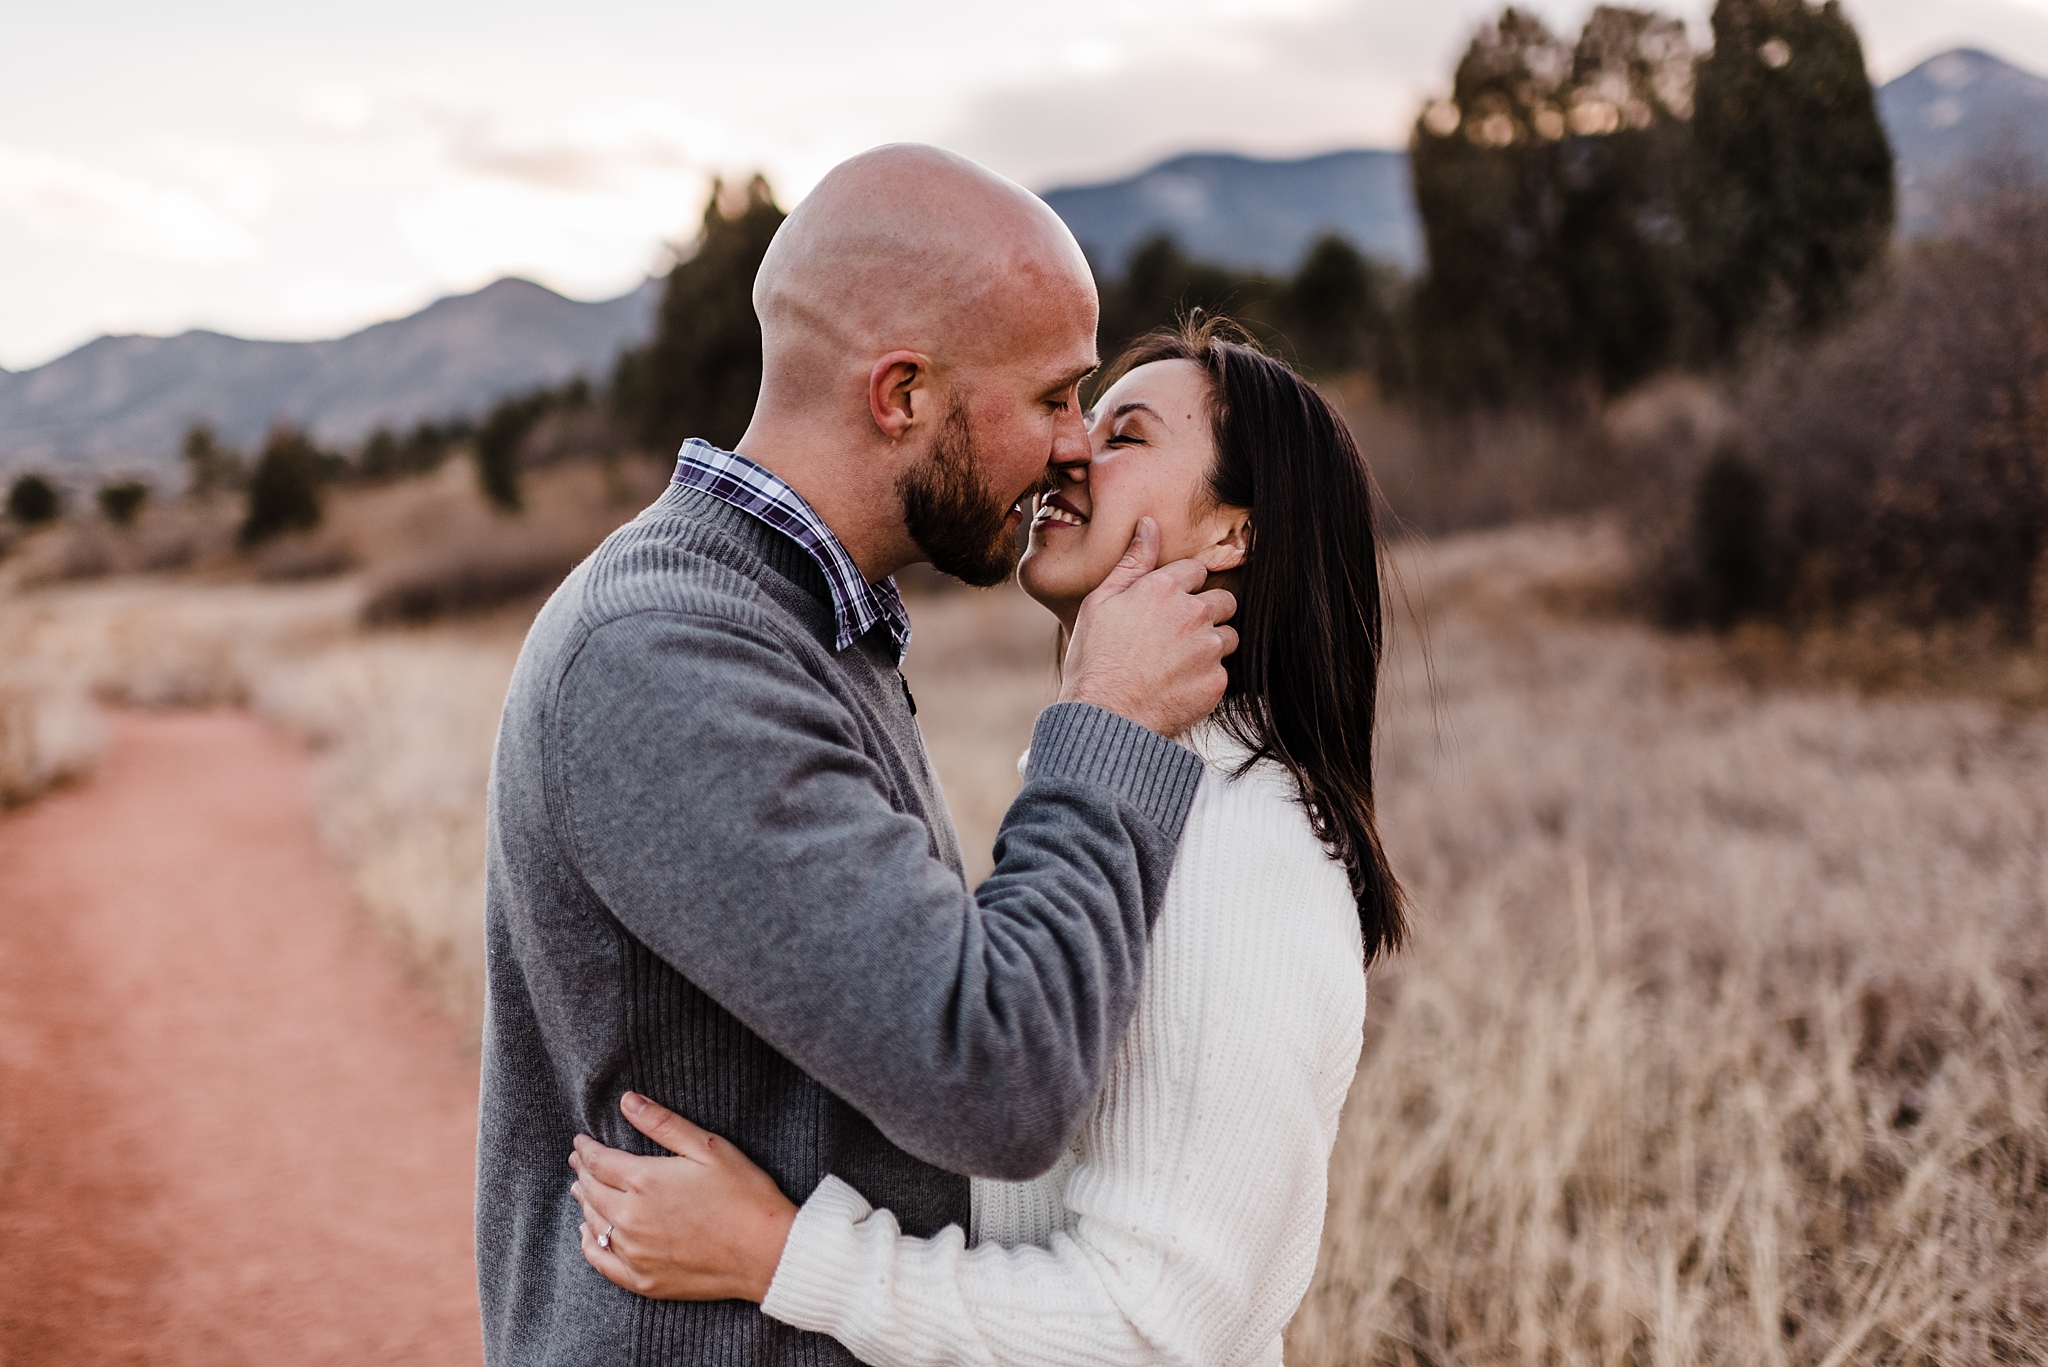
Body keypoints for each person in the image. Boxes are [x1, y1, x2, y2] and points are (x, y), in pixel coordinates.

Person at [476, 144, 1242, 1366]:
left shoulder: (805, 621)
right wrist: (1105, 722)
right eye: (1051, 396)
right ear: (900, 395)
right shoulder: (663, 658)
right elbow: (995, 1077)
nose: (1073, 447)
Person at [567, 320, 1408, 1367]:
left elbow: (1149, 1328)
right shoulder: (1145, 781)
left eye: (1125, 434)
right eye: (1077, 416)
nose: (1069, 452)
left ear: (1233, 530)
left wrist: (779, 1251)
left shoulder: (1242, 842)